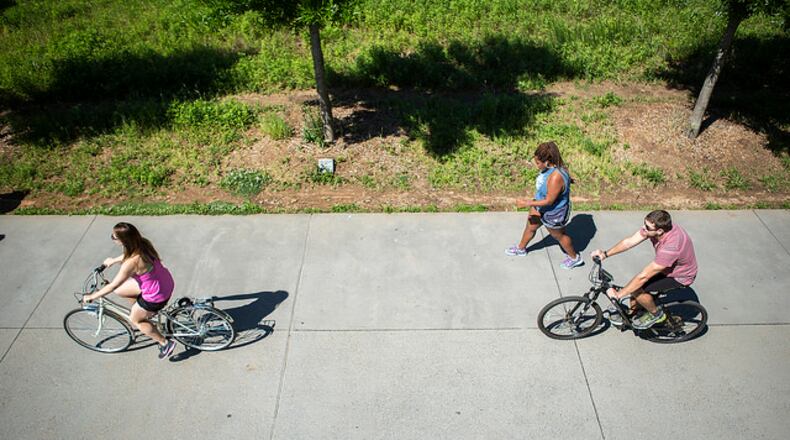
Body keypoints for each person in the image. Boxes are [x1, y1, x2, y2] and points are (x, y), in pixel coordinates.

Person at [83, 222, 177, 359]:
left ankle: (165, 343)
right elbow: (128, 257)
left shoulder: (131, 263)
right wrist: (113, 260)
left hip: (156, 294)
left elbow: (113, 285)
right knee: (121, 290)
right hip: (164, 281)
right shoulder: (143, 244)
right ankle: (143, 312)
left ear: (123, 240)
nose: (113, 238)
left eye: (114, 237)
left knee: (135, 320)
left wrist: (92, 296)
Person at [591, 210, 698, 329]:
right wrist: (605, 254)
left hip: (679, 276)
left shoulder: (671, 247)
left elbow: (644, 276)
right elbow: (629, 242)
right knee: (634, 288)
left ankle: (657, 314)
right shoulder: (656, 229)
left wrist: (618, 295)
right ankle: (634, 312)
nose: (643, 228)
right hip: (667, 266)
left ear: (660, 231)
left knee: (637, 289)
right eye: (644, 224)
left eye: (647, 227)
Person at [505, 141, 583, 269]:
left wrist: (527, 203)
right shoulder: (555, 168)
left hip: (553, 212)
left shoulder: (555, 177)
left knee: (560, 236)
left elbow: (549, 201)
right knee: (531, 227)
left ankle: (574, 258)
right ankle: (521, 248)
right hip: (540, 206)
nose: (536, 166)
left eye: (538, 163)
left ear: (547, 162)